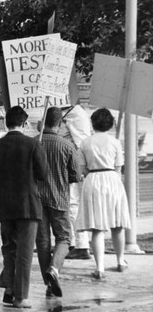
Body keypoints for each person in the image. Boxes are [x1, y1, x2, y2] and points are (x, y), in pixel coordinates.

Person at [0, 106, 48, 308]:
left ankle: (9, 289)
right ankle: (20, 297)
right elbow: (42, 174)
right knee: (25, 252)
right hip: (27, 204)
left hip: (4, 205)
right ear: (24, 123)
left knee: (9, 249)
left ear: (7, 123)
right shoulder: (32, 145)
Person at [76, 108, 130, 279]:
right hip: (112, 179)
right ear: (111, 124)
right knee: (117, 224)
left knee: (97, 227)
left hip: (93, 179)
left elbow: (82, 169)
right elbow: (118, 168)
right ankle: (120, 261)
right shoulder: (115, 142)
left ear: (93, 123)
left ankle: (99, 268)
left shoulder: (85, 143)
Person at [35, 107, 80, 298]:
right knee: (64, 238)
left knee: (43, 242)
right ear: (60, 124)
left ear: (43, 123)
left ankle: (48, 284)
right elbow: (75, 176)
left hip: (37, 200)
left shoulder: (34, 144)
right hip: (59, 199)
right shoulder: (67, 146)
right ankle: (54, 269)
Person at [60, 104, 93, 260]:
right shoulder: (70, 113)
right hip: (67, 166)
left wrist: (78, 169)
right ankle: (73, 242)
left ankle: (80, 245)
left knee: (73, 205)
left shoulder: (76, 115)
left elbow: (81, 145)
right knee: (69, 205)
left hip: (72, 167)